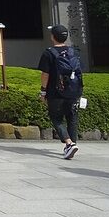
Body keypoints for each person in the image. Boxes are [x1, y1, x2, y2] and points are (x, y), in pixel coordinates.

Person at [38, 24, 83, 159]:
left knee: (56, 118)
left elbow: (45, 74)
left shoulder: (49, 52)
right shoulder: (73, 51)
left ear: (53, 37)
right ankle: (72, 144)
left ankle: (69, 144)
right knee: (72, 117)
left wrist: (43, 91)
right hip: (73, 90)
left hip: (56, 91)